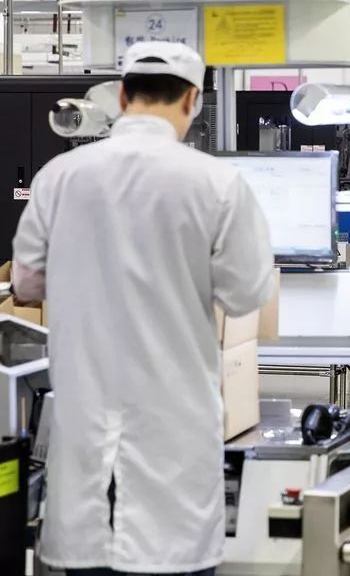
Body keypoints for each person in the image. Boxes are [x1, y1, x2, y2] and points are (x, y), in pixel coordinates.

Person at [12, 42, 275, 576]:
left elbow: (26, 281)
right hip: (173, 449)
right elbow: (246, 295)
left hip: (85, 444)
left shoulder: (58, 176)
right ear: (193, 100)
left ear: (122, 96)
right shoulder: (218, 183)